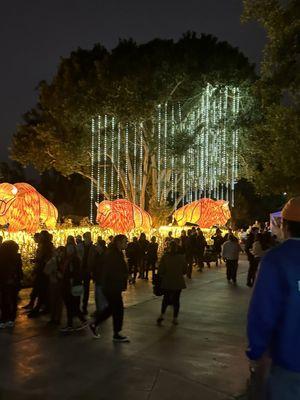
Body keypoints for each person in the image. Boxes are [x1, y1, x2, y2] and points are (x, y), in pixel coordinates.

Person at [247, 197, 300, 399]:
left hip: (290, 366)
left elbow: (262, 313)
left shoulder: (277, 259)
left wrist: (255, 352)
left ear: (285, 226)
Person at [89, 235, 129, 342]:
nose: (127, 243)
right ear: (118, 242)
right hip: (112, 286)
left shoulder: (117, 253)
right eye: (125, 241)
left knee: (111, 308)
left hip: (112, 286)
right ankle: (116, 333)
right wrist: (122, 276)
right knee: (118, 309)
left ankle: (95, 324)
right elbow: (111, 271)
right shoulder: (113, 254)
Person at [156, 240, 187, 325]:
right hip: (178, 282)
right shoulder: (181, 258)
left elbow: (160, 270)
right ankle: (175, 318)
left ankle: (162, 315)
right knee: (176, 300)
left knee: (166, 299)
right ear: (177, 248)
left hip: (167, 281)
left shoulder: (165, 257)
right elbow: (184, 270)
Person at [60, 244, 87, 332]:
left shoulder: (73, 260)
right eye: (68, 248)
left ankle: (75, 323)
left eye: (71, 248)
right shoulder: (69, 259)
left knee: (72, 306)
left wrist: (71, 285)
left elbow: (73, 274)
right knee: (72, 306)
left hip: (71, 286)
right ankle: (73, 323)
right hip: (70, 285)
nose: (69, 250)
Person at [27, 231, 54, 318]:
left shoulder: (46, 246)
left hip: (43, 271)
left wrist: (36, 261)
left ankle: (38, 308)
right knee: (40, 290)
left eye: (41, 236)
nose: (39, 237)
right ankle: (42, 307)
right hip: (42, 271)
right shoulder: (45, 245)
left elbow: (44, 259)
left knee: (41, 290)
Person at [0, 240, 23, 328]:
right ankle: (9, 319)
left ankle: (6, 318)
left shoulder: (15, 257)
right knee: (10, 300)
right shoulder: (14, 257)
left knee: (7, 300)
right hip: (10, 281)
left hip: (9, 281)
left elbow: (19, 270)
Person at [44, 246, 65, 325]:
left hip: (60, 283)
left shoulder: (64, 261)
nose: (59, 253)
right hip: (53, 282)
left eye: (61, 252)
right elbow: (46, 271)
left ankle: (57, 318)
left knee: (59, 301)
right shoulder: (52, 261)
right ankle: (53, 318)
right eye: (58, 251)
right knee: (53, 301)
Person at [81, 231, 96, 315]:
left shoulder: (93, 247)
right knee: (79, 288)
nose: (88, 238)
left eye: (89, 237)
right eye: (86, 237)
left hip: (87, 270)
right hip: (80, 269)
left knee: (86, 289)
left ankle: (84, 306)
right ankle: (79, 306)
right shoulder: (80, 246)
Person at [92, 239, 107, 315]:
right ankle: (99, 310)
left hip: (101, 279)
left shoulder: (104, 256)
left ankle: (101, 311)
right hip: (98, 278)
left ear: (101, 246)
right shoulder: (97, 255)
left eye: (97, 245)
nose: (96, 247)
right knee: (98, 296)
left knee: (100, 296)